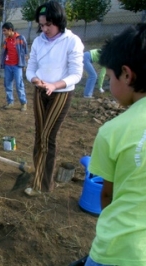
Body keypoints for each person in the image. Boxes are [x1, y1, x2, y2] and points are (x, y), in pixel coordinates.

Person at [84, 23, 146, 266]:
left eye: (109, 77)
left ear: (127, 74)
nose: (109, 85)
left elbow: (107, 195)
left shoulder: (113, 131)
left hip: (120, 249)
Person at [25, 1, 84, 196]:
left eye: (48, 24)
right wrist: (34, 79)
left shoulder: (71, 41)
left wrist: (54, 85)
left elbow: (76, 74)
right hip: (40, 91)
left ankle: (41, 185)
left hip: (61, 93)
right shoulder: (39, 41)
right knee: (39, 134)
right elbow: (31, 67)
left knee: (47, 137)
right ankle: (39, 174)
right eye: (41, 25)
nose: (45, 29)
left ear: (59, 21)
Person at [1, 22, 28, 111]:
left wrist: (24, 64)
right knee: (8, 84)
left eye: (5, 31)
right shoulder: (6, 40)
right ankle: (10, 102)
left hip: (17, 66)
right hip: (8, 65)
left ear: (10, 30)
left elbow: (25, 52)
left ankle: (23, 103)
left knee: (19, 85)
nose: (3, 33)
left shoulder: (20, 38)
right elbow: (4, 52)